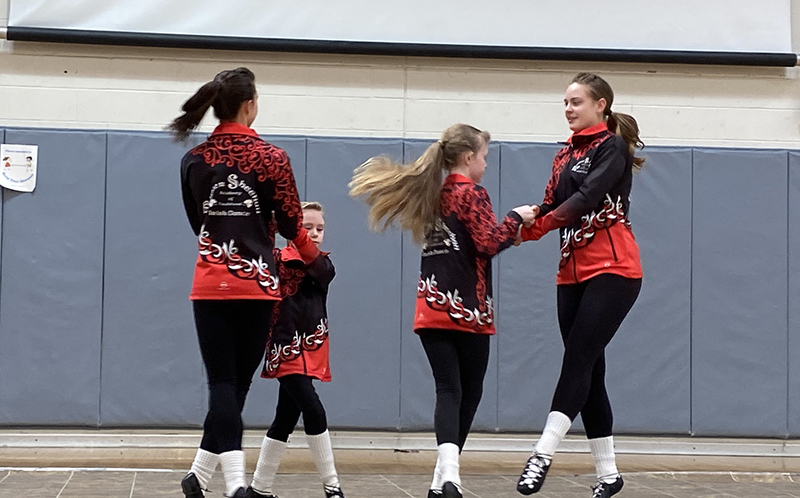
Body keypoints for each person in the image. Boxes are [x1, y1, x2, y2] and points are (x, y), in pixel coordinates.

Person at [349, 123, 536, 498]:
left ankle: (443, 480)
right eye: (483, 156)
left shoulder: (431, 195)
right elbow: (486, 243)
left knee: (447, 390)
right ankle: (448, 476)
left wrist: (506, 236)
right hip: (468, 310)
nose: (485, 163)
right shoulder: (473, 194)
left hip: (431, 305)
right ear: (468, 158)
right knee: (469, 391)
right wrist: (515, 218)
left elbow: (471, 243)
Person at [169, 67, 319, 498]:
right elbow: (292, 223)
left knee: (223, 384)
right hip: (257, 286)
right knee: (236, 385)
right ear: (250, 104)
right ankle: (236, 485)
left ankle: (199, 475)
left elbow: (199, 221)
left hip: (211, 282)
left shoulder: (194, 160)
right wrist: (309, 256)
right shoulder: (273, 158)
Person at [515, 72, 645, 498]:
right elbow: (553, 203)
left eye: (576, 102)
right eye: (565, 103)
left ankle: (542, 453)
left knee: (578, 358)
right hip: (571, 271)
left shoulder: (612, 148)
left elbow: (586, 200)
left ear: (601, 105)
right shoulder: (564, 154)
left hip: (614, 269)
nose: (569, 109)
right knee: (590, 370)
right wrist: (524, 223)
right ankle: (609, 475)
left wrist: (538, 226)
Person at [248, 202, 344, 498]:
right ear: (293, 230)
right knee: (314, 411)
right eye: (308, 228)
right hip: (286, 351)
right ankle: (333, 487)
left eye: (320, 229)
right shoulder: (275, 259)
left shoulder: (324, 265)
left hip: (311, 350)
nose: (314, 234)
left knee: (285, 418)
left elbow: (321, 270)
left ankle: (259, 489)